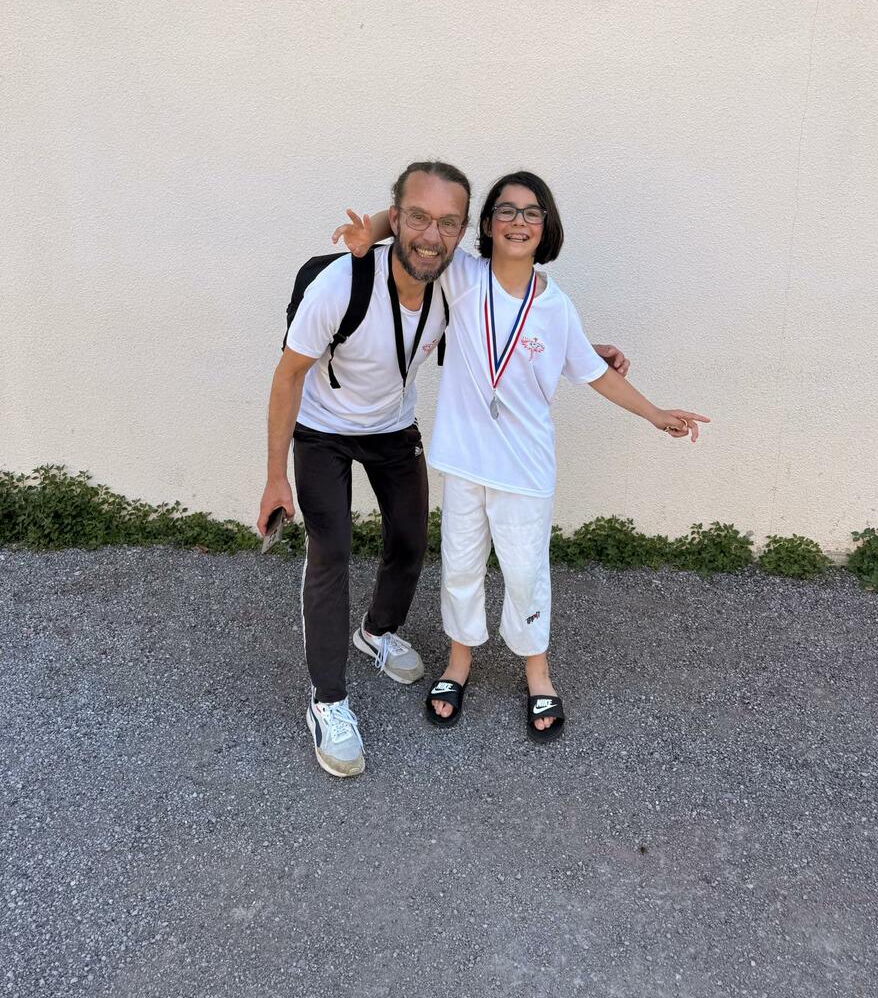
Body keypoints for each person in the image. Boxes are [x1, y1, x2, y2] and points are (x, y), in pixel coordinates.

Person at [333, 172, 709, 743]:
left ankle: (537, 672)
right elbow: (422, 231)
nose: (518, 221)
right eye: (506, 211)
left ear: (545, 227)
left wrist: (655, 413)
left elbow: (594, 372)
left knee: (526, 574)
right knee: (460, 569)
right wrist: (374, 232)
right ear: (486, 225)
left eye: (532, 212)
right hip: (465, 463)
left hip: (525, 469)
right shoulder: (462, 276)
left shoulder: (556, 307)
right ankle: (459, 662)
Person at [256, 161, 472, 778]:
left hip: (392, 428)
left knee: (410, 539)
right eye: (418, 218)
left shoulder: (457, 281)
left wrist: (585, 353)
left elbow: (520, 315)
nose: (432, 235)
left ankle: (377, 632)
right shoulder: (339, 285)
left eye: (448, 223)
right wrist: (276, 476)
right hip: (322, 431)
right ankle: (327, 702)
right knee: (331, 552)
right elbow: (287, 377)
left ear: (462, 232)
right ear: (395, 218)